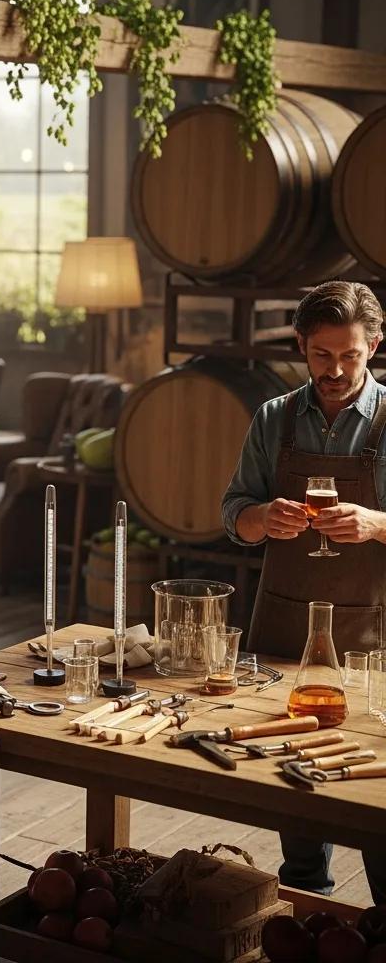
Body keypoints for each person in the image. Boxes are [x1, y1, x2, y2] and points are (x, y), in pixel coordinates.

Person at [222, 279, 385, 905]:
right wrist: (264, 518)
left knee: (374, 792)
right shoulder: (275, 417)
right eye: (322, 355)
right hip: (287, 629)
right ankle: (305, 911)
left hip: (373, 640)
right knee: (294, 786)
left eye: (349, 355)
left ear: (374, 346)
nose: (335, 370)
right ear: (300, 346)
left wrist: (375, 524)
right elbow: (233, 514)